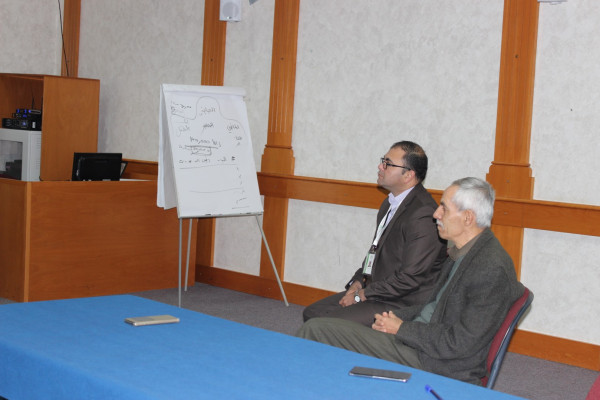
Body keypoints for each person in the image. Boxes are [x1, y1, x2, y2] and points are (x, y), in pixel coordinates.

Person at [297, 177, 525, 386]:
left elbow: (461, 344)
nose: (436, 214)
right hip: (422, 341)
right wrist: (391, 318)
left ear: (468, 218)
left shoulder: (490, 268)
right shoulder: (463, 251)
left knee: (316, 330)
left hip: (436, 362)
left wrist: (402, 328)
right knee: (326, 325)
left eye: (444, 208)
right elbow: (432, 307)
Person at [302, 141, 447, 327]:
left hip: (403, 301)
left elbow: (410, 278)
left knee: (325, 325)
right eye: (382, 161)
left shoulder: (423, 214)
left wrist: (362, 295)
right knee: (312, 313)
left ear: (408, 175)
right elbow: (375, 252)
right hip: (379, 291)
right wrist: (358, 282)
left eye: (388, 163)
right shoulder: (390, 203)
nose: (380, 166)